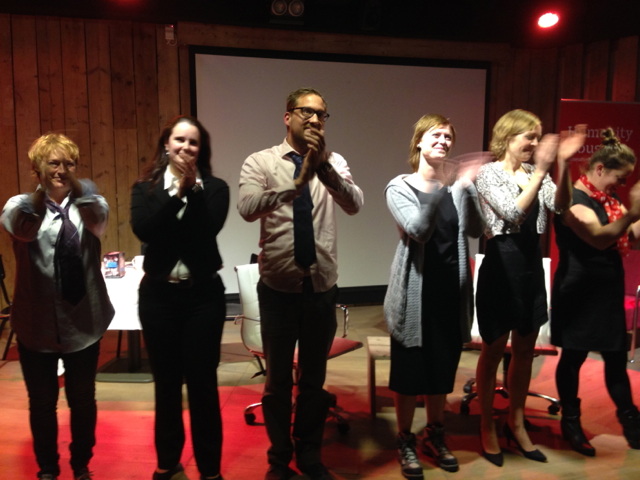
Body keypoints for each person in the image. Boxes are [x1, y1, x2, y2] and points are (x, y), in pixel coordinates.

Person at [238, 87, 363, 480]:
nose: (314, 119)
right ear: (287, 116)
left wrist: (322, 169)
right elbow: (246, 208)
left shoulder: (334, 161)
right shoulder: (260, 161)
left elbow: (355, 203)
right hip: (278, 290)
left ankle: (309, 455)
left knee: (313, 381)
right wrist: (295, 185)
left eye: (321, 114)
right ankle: (279, 459)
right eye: (306, 111)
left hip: (321, 289)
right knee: (277, 382)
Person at [474, 109, 585, 466]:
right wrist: (540, 172)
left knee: (524, 351)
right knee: (493, 351)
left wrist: (563, 164)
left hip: (529, 268)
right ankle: (487, 426)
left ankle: (516, 422)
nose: (535, 144)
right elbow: (512, 213)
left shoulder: (536, 173)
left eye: (538, 137)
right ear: (507, 136)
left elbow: (561, 206)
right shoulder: (488, 174)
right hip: (500, 266)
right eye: (529, 136)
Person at [1, 133, 114, 480]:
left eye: (69, 163)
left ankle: (81, 464)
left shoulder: (90, 204)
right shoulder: (19, 205)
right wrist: (42, 194)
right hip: (36, 324)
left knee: (83, 399)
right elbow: (22, 229)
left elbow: (99, 220)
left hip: (83, 321)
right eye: (53, 163)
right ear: (36, 168)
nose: (62, 170)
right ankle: (47, 468)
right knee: (42, 403)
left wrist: (78, 189)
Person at [384, 114, 486, 478]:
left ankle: (435, 434)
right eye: (436, 135)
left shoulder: (456, 188)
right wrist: (438, 188)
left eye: (448, 137)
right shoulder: (399, 187)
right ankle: (405, 440)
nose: (443, 141)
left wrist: (467, 187)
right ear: (419, 142)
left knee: (442, 372)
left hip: (450, 295)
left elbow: (477, 228)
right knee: (409, 375)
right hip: (414, 297)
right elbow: (419, 230)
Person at [130, 116, 229, 480]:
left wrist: (194, 192)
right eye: (180, 140)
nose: (186, 147)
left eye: (194, 142)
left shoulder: (215, 188)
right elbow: (145, 230)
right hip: (158, 298)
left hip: (203, 298)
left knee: (203, 385)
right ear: (166, 144)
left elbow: (207, 230)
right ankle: (167, 462)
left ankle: (210, 470)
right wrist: (177, 196)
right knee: (167, 384)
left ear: (201, 150)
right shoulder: (145, 188)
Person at [552, 128, 640, 455]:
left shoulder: (608, 199)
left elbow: (632, 237)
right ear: (600, 169)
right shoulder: (572, 200)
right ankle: (570, 421)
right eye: (620, 178)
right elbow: (600, 238)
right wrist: (633, 212)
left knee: (615, 358)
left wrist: (637, 213)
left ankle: (631, 421)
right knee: (573, 357)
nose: (622, 185)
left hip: (606, 289)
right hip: (578, 291)